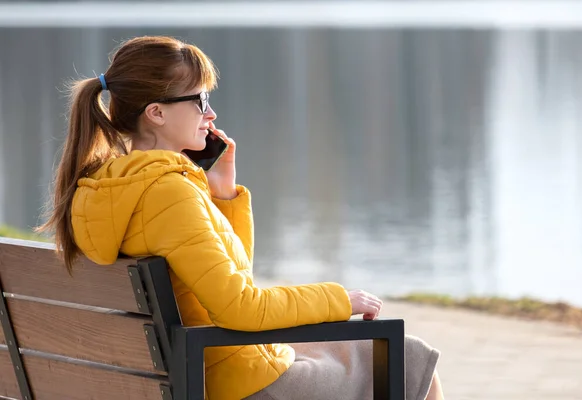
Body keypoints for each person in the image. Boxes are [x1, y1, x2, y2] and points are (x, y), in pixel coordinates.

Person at [39, 36, 444, 400]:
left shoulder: (104, 186)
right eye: (199, 101)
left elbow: (232, 282)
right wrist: (341, 299)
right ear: (157, 113)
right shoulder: (168, 192)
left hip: (190, 372)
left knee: (384, 355)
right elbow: (243, 309)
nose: (210, 114)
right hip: (237, 383)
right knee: (409, 357)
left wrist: (224, 195)